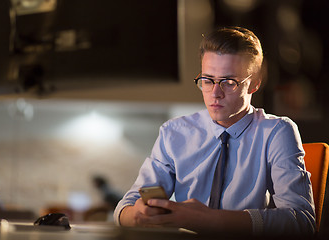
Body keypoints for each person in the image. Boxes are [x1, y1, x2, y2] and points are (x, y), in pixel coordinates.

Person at [113, 26, 315, 236]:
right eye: (207, 80)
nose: (215, 93)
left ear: (254, 83)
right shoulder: (174, 132)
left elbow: (301, 222)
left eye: (228, 82)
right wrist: (137, 214)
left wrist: (207, 220)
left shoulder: (276, 132)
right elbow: (124, 209)